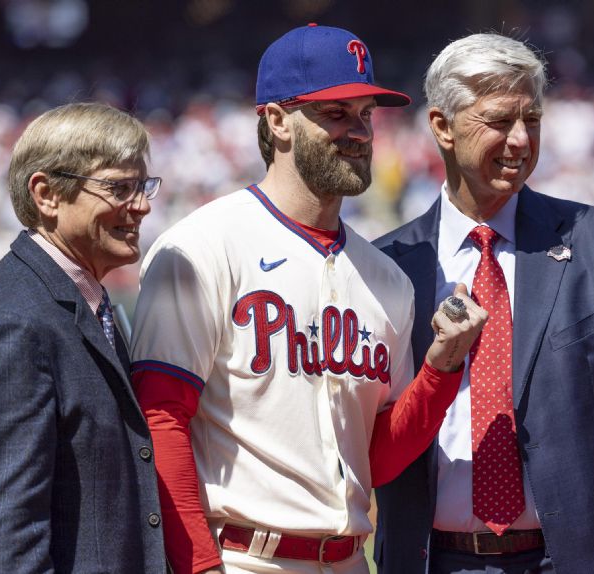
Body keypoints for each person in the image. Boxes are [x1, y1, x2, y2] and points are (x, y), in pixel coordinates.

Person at [131, 24, 487, 574]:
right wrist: (200, 568)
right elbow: (161, 419)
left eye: (366, 114)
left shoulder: (386, 280)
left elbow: (376, 459)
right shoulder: (202, 246)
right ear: (276, 121)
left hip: (349, 559)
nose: (360, 132)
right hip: (242, 557)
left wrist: (440, 369)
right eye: (336, 114)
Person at [372, 33, 594, 573]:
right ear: (442, 127)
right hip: (435, 561)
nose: (521, 139)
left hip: (575, 559)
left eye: (533, 120)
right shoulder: (389, 265)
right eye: (500, 121)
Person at [0, 102, 167, 573]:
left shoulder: (79, 300)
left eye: (142, 186)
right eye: (119, 187)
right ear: (46, 195)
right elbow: (2, 540)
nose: (141, 205)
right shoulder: (15, 320)